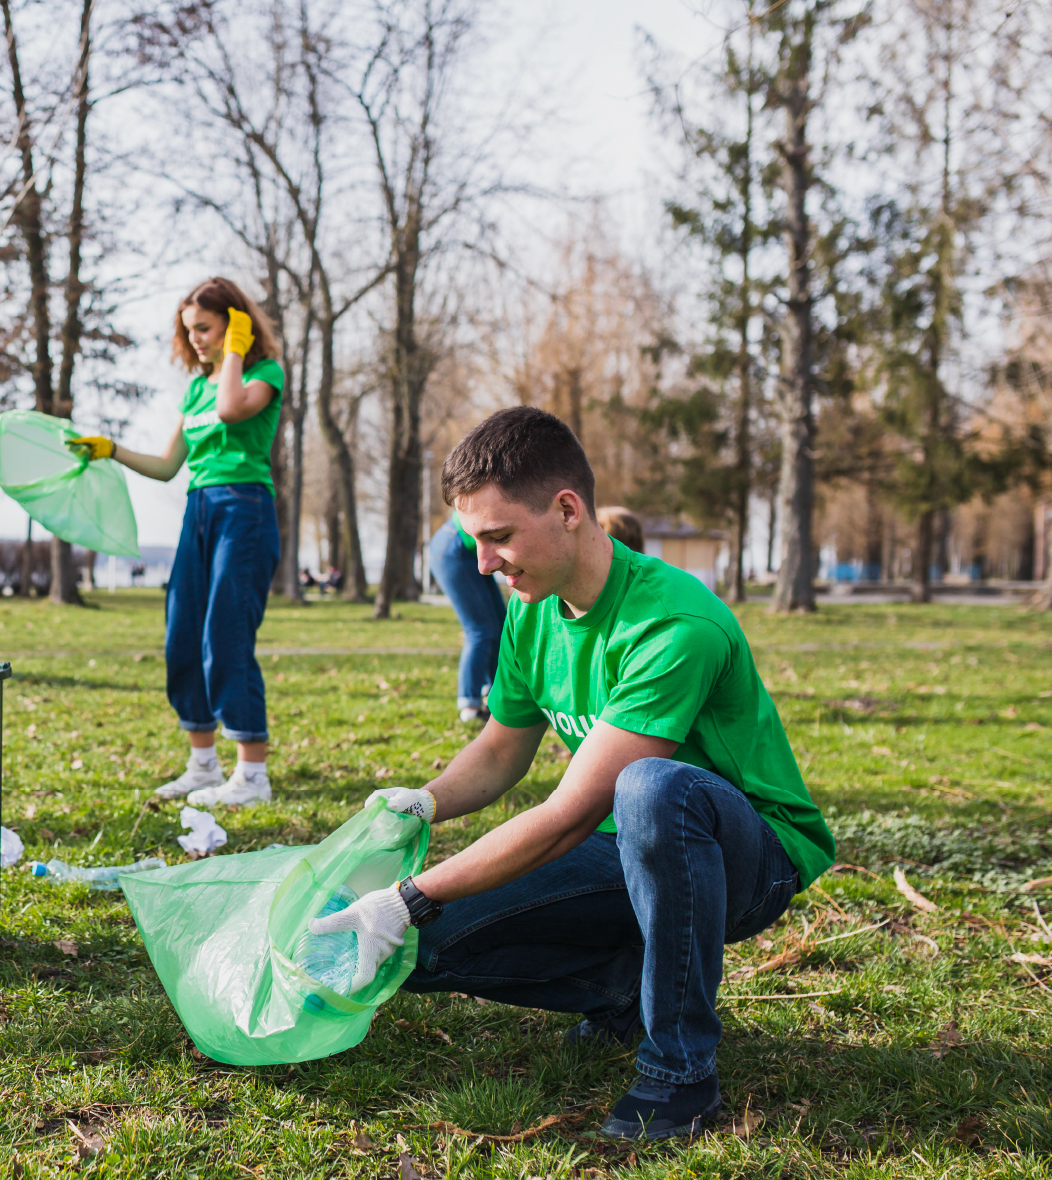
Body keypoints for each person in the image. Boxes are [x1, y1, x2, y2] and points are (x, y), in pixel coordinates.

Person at [310, 407, 832, 1139]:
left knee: (653, 789)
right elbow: (499, 750)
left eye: (497, 537)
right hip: (627, 845)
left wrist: (410, 892)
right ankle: (625, 990)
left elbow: (570, 814)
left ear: (567, 509)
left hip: (742, 858)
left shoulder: (674, 623)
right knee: (413, 950)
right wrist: (422, 802)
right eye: (474, 543)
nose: (484, 564)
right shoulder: (534, 606)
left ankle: (679, 1072)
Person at [69, 278, 284, 808]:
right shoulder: (194, 390)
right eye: (190, 332)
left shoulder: (263, 373)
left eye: (206, 329)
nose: (197, 342)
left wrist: (235, 349)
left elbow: (233, 409)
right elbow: (167, 467)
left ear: (235, 324)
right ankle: (203, 766)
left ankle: (252, 776)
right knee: (183, 633)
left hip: (245, 509)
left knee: (226, 635)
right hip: (199, 508)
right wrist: (110, 449)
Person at [427, 503, 505, 724]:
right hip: (453, 547)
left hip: (470, 549)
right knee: (480, 631)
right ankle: (469, 705)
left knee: (502, 625)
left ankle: (494, 697)